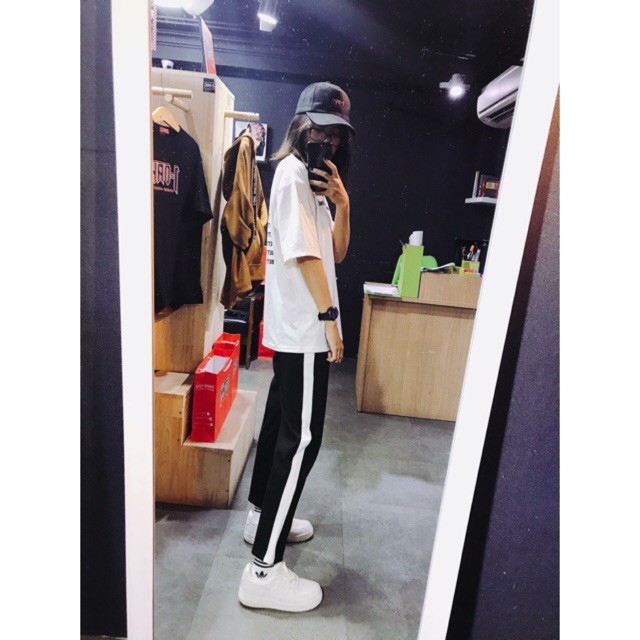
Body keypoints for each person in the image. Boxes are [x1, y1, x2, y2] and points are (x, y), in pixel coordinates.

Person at [238, 81, 355, 612]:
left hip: (297, 327)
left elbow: (335, 251)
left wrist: (342, 203)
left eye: (336, 135)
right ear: (301, 125)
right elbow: (305, 258)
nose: (328, 142)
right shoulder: (289, 174)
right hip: (306, 328)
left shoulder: (311, 185)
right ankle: (264, 571)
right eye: (321, 131)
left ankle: (261, 516)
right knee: (302, 439)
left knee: (281, 427)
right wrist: (330, 320)